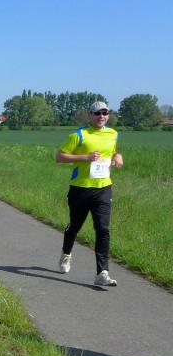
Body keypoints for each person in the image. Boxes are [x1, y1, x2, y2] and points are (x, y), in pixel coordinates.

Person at [55, 101, 123, 287]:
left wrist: (117, 156)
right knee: (74, 226)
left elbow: (112, 151)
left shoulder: (113, 134)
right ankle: (66, 254)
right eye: (97, 113)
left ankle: (102, 272)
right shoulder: (78, 135)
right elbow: (59, 157)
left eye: (105, 113)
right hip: (80, 189)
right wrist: (85, 157)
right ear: (90, 115)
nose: (101, 116)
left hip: (103, 188)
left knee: (103, 229)